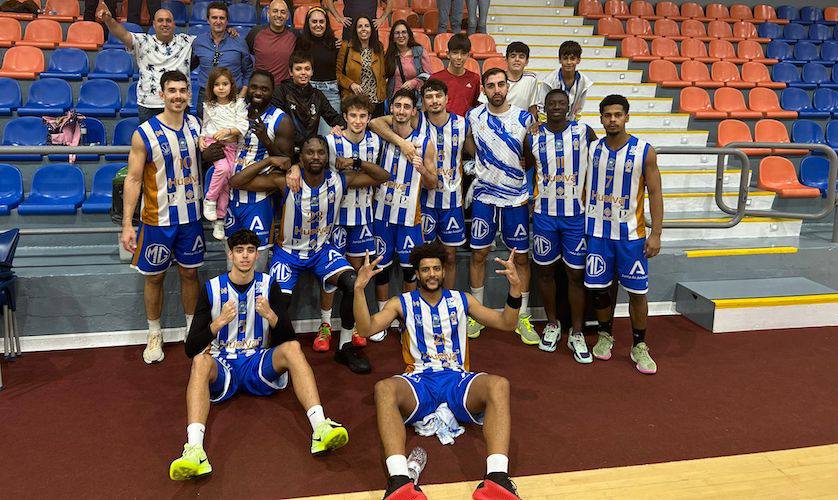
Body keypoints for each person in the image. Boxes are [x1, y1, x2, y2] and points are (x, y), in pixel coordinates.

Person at [168, 228, 349, 481]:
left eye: (250, 251)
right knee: (199, 361)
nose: (245, 256)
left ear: (256, 255)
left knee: (294, 349)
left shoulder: (268, 285)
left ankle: (320, 426)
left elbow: (288, 338)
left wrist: (272, 316)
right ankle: (195, 450)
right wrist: (218, 323)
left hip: (257, 362)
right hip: (225, 366)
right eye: (239, 251)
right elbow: (190, 348)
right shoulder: (211, 288)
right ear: (230, 255)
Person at [353, 242, 522, 500]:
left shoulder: (461, 299)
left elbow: (506, 323)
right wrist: (358, 289)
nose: (431, 274)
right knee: (383, 388)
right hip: (420, 381)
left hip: (457, 380)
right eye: (425, 270)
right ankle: (400, 482)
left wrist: (515, 289)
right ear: (417, 274)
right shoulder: (402, 303)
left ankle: (497, 479)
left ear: (443, 271)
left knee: (499, 384)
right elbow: (366, 329)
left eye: (436, 269)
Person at [229, 136, 391, 374]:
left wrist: (355, 162)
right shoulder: (286, 182)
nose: (316, 157)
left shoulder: (339, 180)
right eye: (310, 152)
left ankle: (345, 347)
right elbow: (236, 181)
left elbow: (382, 176)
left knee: (353, 283)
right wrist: (271, 160)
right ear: (301, 157)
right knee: (279, 301)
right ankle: (280, 352)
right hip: (288, 254)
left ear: (328, 157)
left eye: (321, 152)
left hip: (322, 251)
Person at [120, 70, 203, 365]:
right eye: (172, 90)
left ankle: (192, 329)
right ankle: (154, 332)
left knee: (190, 273)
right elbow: (132, 179)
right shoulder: (144, 133)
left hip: (191, 217)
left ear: (189, 94)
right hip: (156, 218)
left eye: (183, 90)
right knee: (154, 277)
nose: (178, 95)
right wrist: (128, 224)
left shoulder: (197, 125)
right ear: (161, 95)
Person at [585, 95, 663, 375]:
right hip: (597, 233)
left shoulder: (644, 150)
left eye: (618, 114)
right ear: (601, 118)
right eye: (607, 115)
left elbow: (655, 192)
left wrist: (656, 234)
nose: (613, 119)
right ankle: (606, 334)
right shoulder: (592, 149)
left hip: (631, 235)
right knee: (600, 290)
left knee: (637, 292)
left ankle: (639, 345)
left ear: (627, 117)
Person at [369, 78, 467, 290]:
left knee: (449, 255)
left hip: (451, 197)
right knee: (417, 261)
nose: (434, 101)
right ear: (422, 103)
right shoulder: (417, 119)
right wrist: (403, 143)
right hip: (420, 202)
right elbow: (374, 122)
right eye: (429, 97)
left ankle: (446, 302)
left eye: (438, 96)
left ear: (446, 98)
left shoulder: (462, 123)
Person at [523, 89, 597, 360]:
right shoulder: (533, 135)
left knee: (576, 275)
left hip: (576, 216)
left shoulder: (584, 132)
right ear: (545, 106)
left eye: (561, 103)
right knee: (545, 272)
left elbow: (598, 164)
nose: (556, 107)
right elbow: (527, 165)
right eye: (551, 103)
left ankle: (576, 331)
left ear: (568, 106)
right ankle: (553, 324)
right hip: (543, 215)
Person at [464, 68, 536, 345]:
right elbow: (469, 145)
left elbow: (531, 156)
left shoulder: (523, 118)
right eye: (491, 85)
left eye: (501, 84)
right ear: (484, 89)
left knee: (520, 259)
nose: (496, 89)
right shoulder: (474, 116)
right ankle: (477, 314)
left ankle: (522, 316)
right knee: (478, 255)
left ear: (508, 87)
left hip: (516, 198)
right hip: (484, 196)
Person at [315, 95, 384, 352]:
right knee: (332, 274)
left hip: (364, 216)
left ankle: (353, 324)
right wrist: (361, 176)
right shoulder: (331, 141)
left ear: (369, 117)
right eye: (353, 115)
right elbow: (329, 179)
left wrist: (353, 175)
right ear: (344, 116)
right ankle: (324, 325)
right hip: (335, 218)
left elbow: (377, 177)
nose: (358, 121)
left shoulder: (375, 140)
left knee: (357, 276)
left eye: (363, 116)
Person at [371, 89, 438, 342]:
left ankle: (408, 320)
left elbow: (433, 183)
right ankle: (381, 321)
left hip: (410, 216)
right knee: (382, 269)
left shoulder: (426, 142)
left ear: (414, 111)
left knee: (411, 271)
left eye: (406, 106)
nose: (401, 111)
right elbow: (374, 121)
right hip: (381, 214)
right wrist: (401, 143)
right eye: (397, 106)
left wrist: (422, 169)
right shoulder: (382, 136)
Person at [226, 70, 295, 266]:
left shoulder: (281, 120)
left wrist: (265, 139)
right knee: (232, 261)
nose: (258, 92)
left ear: (272, 91)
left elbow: (285, 162)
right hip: (232, 198)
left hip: (259, 199)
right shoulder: (237, 112)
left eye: (264, 89)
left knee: (256, 263)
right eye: (254, 86)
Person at [98, 6, 195, 124]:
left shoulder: (186, 41)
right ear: (154, 24)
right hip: (149, 105)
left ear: (174, 24)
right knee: (150, 142)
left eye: (168, 20)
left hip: (179, 103)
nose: (165, 24)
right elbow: (122, 34)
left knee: (180, 141)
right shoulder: (143, 41)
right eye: (160, 20)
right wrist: (109, 20)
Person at [201, 67, 249, 240]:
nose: (221, 88)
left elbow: (243, 126)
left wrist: (228, 130)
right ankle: (210, 200)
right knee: (221, 170)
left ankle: (220, 220)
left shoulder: (238, 103)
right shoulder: (209, 105)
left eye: (225, 84)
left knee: (228, 180)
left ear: (231, 85)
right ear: (211, 87)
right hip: (214, 144)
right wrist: (201, 137)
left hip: (231, 146)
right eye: (216, 84)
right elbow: (205, 125)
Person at [272, 51, 345, 156]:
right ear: (290, 72)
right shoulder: (281, 91)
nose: (303, 73)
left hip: (310, 151)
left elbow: (336, 119)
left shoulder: (317, 95)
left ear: (312, 72)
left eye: (307, 69)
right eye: (298, 69)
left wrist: (338, 127)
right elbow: (275, 123)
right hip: (286, 151)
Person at [191, 2, 253, 118]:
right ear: (208, 20)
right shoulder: (198, 42)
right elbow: (188, 65)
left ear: (227, 21)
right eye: (214, 17)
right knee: (205, 132)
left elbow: (248, 70)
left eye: (222, 18)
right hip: (206, 94)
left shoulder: (239, 42)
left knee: (232, 132)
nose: (218, 21)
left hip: (233, 95)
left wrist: (242, 95)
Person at [296, 6, 342, 124]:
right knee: (309, 134)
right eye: (314, 21)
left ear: (326, 23)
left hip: (331, 92)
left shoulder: (335, 43)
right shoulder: (300, 42)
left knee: (330, 134)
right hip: (307, 90)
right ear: (308, 23)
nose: (318, 25)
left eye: (322, 21)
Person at [337, 16, 387, 117]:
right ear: (355, 30)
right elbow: (337, 74)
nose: (363, 29)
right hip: (354, 100)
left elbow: (383, 73)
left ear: (371, 30)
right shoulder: (346, 47)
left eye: (367, 26)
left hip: (376, 102)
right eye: (360, 26)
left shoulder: (378, 47)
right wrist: (351, 84)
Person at [536, 41, 593, 122]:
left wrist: (574, 124)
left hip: (570, 123)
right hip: (551, 123)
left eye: (572, 58)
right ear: (560, 60)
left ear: (578, 60)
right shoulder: (549, 81)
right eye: (565, 58)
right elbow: (542, 106)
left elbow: (579, 108)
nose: (569, 62)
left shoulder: (584, 82)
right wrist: (545, 124)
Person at [478, 42, 538, 117]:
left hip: (520, 124)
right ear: (506, 59)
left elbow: (532, 107)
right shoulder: (496, 78)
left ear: (526, 61)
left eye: (521, 57)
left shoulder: (531, 79)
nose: (517, 59)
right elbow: (482, 104)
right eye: (513, 56)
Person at [245, 0, 297, 86]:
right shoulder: (255, 32)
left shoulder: (294, 35)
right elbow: (245, 54)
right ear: (268, 13)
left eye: (283, 12)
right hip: (260, 87)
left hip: (284, 89)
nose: (279, 15)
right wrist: (230, 31)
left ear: (287, 16)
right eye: (275, 11)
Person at [430, 34, 480, 117]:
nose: (459, 57)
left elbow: (475, 105)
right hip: (441, 125)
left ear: (468, 55)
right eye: (455, 53)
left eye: (463, 53)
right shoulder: (435, 78)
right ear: (448, 54)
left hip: (465, 126)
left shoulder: (474, 78)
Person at [384, 20, 431, 101]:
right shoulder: (390, 55)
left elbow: (428, 75)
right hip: (395, 99)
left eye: (404, 32)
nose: (401, 35)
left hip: (416, 99)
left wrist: (414, 82)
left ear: (409, 35)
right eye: (397, 33)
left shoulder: (419, 51)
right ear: (393, 38)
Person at [324, 0, 393, 41]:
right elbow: (328, 1)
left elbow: (390, 2)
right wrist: (338, 17)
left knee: (372, 59)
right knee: (348, 59)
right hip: (350, 28)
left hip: (370, 29)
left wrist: (382, 18)